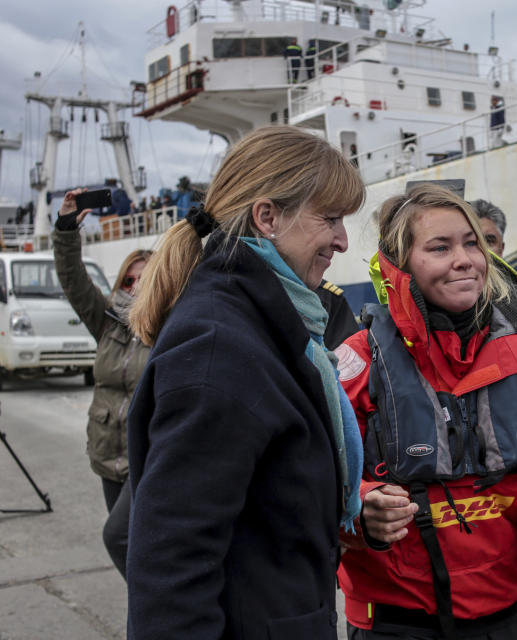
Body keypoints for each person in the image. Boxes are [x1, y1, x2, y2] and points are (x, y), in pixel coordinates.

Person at [334, 184, 517, 640]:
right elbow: (319, 480)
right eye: (440, 247)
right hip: (394, 622)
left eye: (471, 244)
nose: (464, 259)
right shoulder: (358, 362)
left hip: (499, 620)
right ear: (399, 266)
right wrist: (361, 508)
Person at [124, 125, 366, 640]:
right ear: (267, 216)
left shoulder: (264, 323)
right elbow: (171, 564)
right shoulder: (219, 347)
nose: (343, 240)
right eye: (330, 219)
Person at [52, 192, 152, 579]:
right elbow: (73, 279)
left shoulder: (169, 327)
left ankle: (159, 612)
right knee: (135, 546)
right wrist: (66, 228)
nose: (135, 286)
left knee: (120, 537)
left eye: (144, 279)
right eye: (129, 279)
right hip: (108, 454)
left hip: (146, 456)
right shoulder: (108, 322)